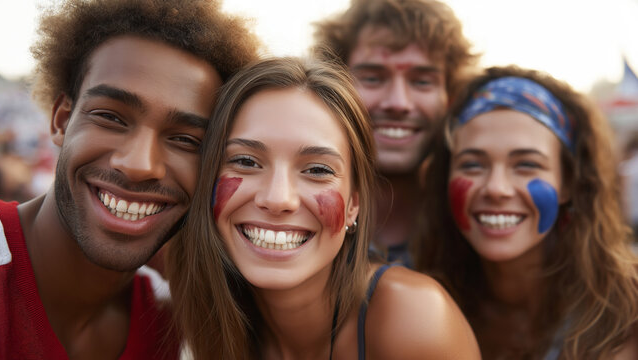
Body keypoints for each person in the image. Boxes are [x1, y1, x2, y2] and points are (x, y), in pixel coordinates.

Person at [167, 57, 480, 359]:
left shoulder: (414, 317)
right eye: (246, 161)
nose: (278, 199)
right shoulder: (201, 314)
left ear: (355, 204)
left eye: (317, 170)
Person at [0, 0, 259, 359]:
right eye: (111, 118)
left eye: (185, 139)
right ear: (61, 119)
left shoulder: (173, 326)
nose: (139, 165)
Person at [417, 65, 638, 359]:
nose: (496, 188)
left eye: (526, 165)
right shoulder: (421, 306)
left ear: (568, 182)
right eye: (472, 164)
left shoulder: (627, 309)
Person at [312, 0, 479, 267]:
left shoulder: (479, 230)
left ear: (451, 97)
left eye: (422, 81)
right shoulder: (292, 214)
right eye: (373, 78)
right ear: (333, 88)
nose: (398, 103)